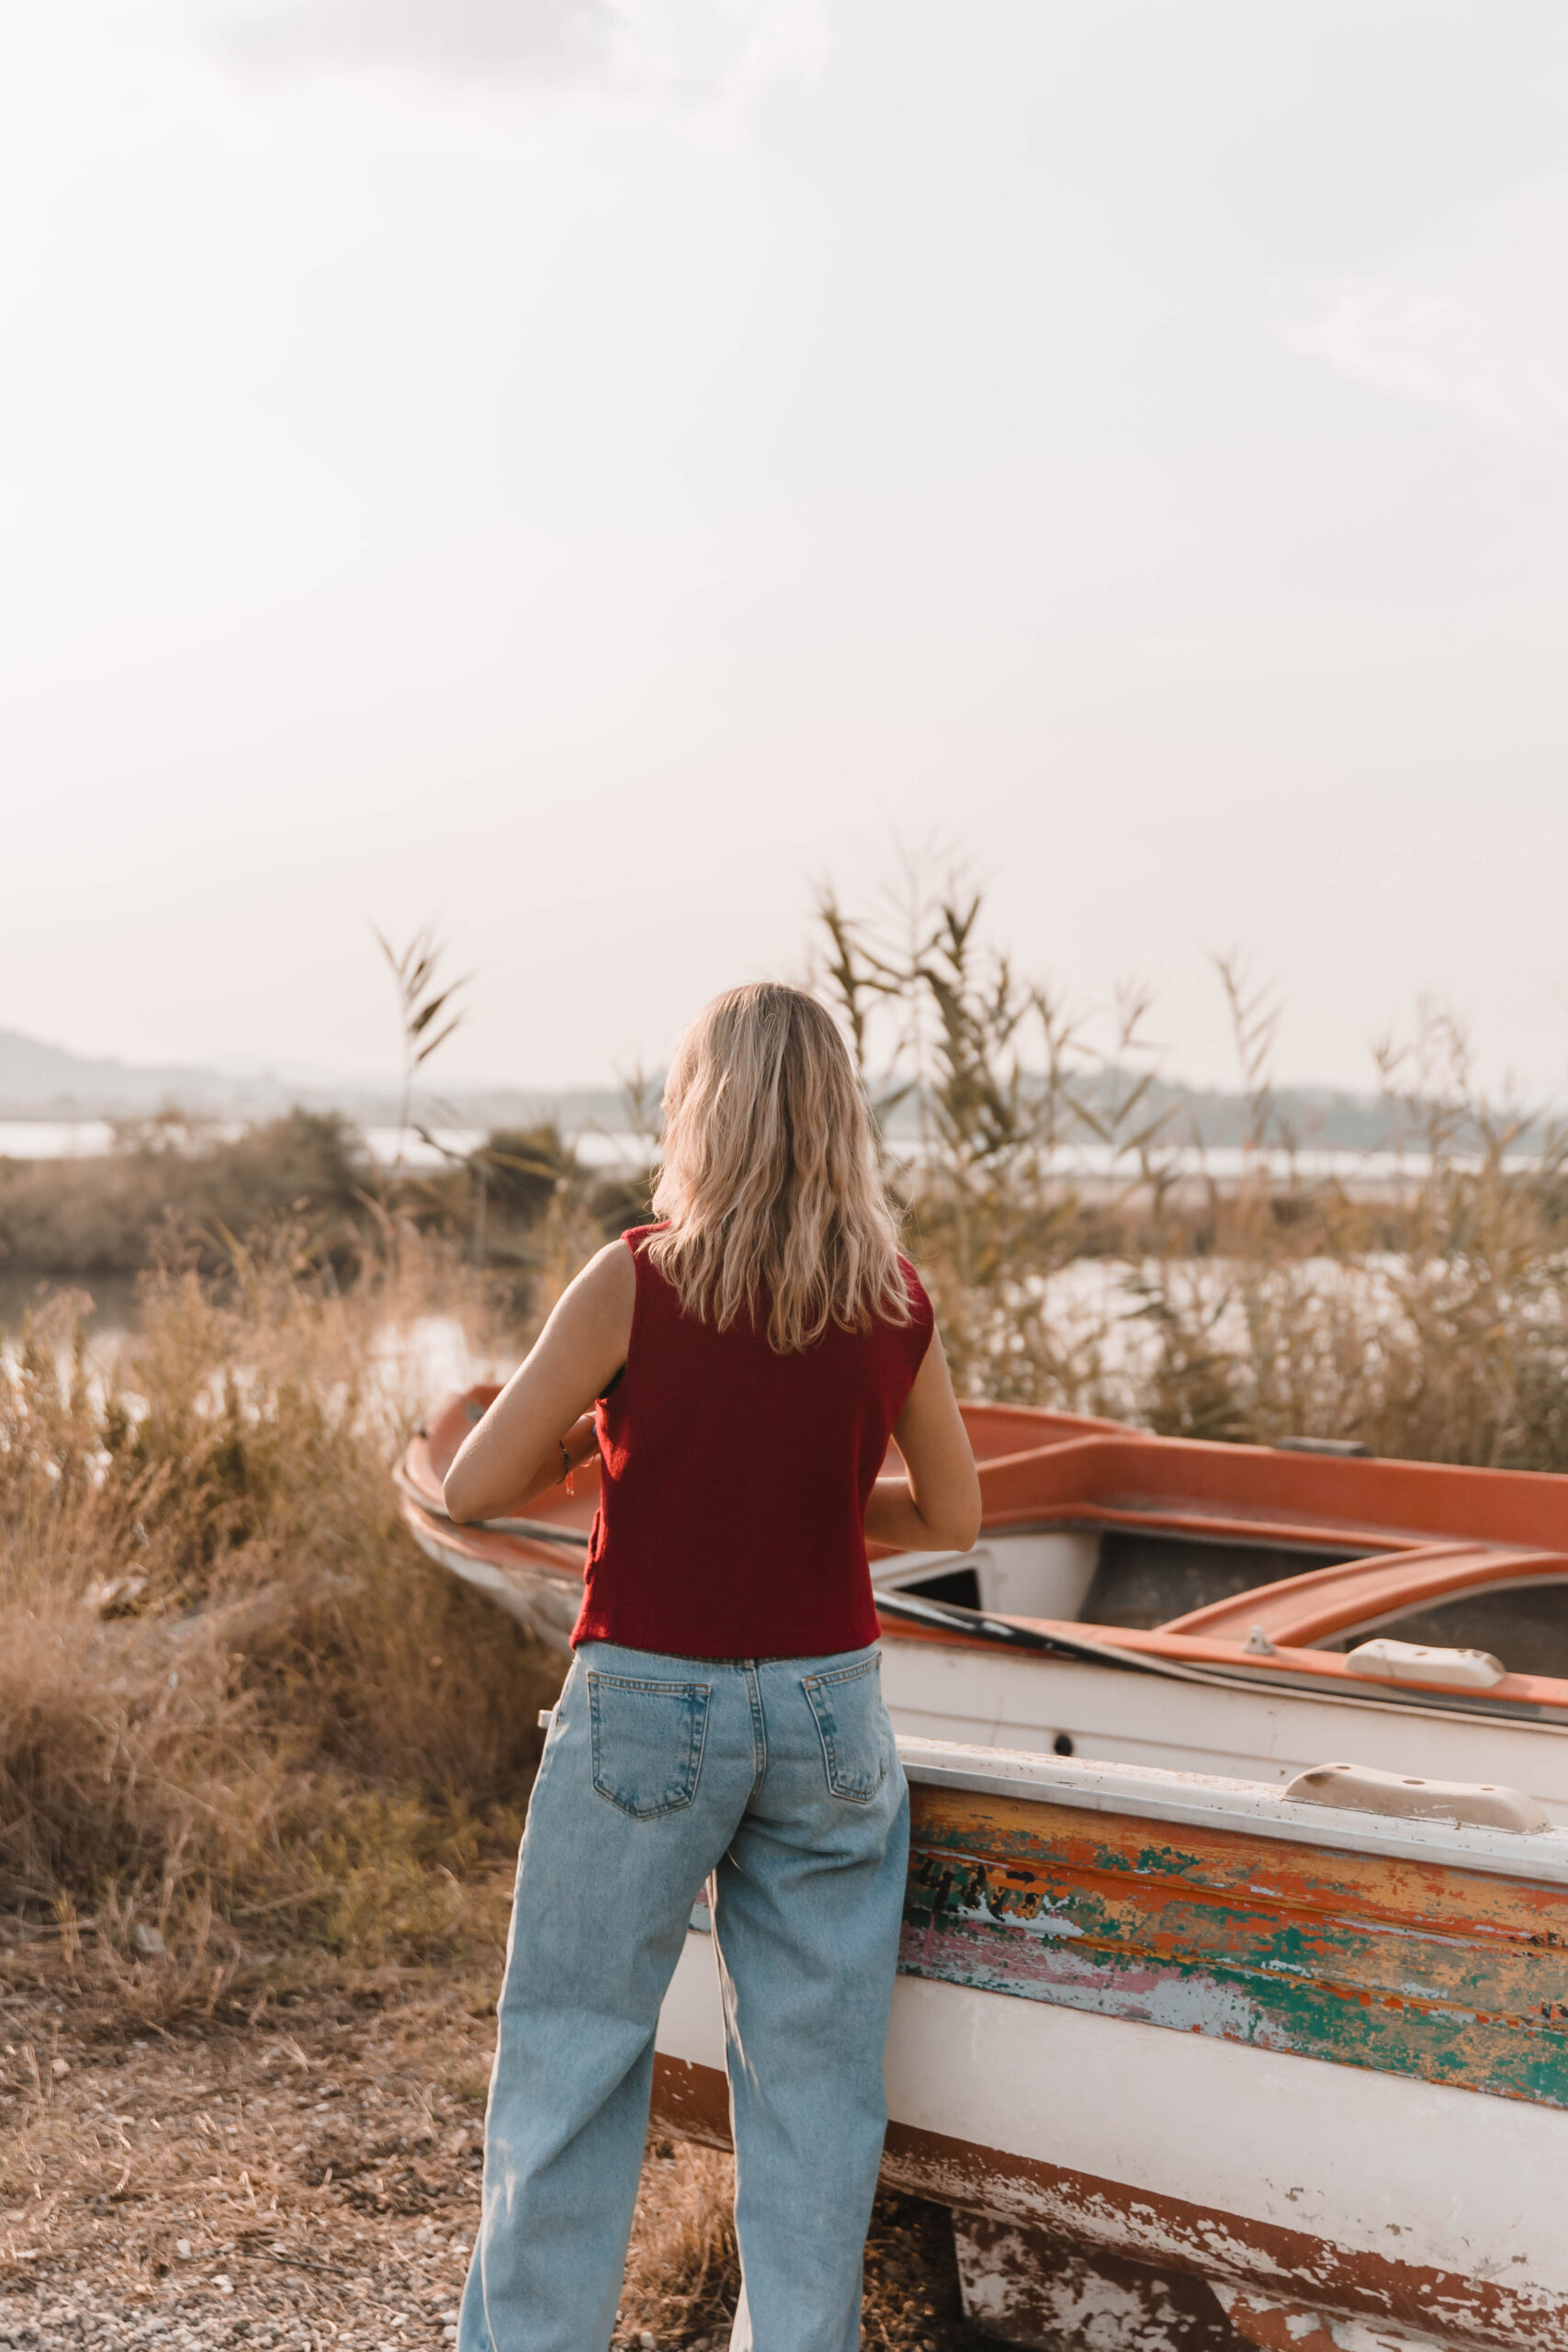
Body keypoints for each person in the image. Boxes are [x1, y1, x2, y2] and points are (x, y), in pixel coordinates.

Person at [443, 981, 981, 2352]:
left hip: (646, 1694)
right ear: (841, 1119)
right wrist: (817, 1495)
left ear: (702, 1111)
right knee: (814, 2088)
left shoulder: (638, 1277)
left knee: (575, 2051)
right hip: (829, 1712)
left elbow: (470, 1485)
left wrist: (592, 1443)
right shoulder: (893, 1297)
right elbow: (953, 1519)